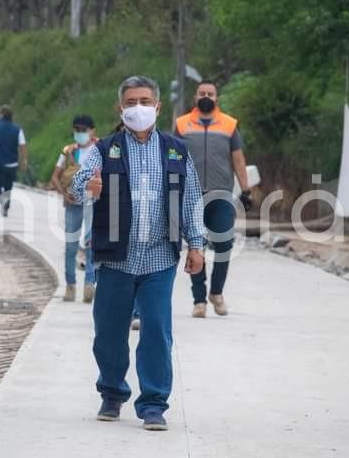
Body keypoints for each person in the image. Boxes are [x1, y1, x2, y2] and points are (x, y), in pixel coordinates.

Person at [71, 75, 205, 431]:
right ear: (120, 108)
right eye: (131, 102)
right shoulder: (104, 149)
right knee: (110, 332)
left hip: (160, 257)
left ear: (158, 107)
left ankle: (153, 404)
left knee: (157, 331)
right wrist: (89, 185)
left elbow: (192, 200)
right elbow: (76, 185)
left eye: (145, 101)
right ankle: (112, 394)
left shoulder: (177, 151)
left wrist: (197, 245)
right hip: (116, 257)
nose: (138, 108)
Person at [175, 80, 251, 318]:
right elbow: (173, 157)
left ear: (216, 98)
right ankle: (199, 300)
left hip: (221, 195)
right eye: (201, 93)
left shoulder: (229, 125)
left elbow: (238, 160)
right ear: (195, 97)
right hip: (191, 195)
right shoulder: (182, 124)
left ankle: (216, 293)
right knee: (196, 245)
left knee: (224, 245)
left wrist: (246, 190)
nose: (206, 96)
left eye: (210, 93)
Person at [51, 114, 99, 303]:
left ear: (92, 131)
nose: (80, 133)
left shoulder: (99, 150)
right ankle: (70, 285)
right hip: (72, 204)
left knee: (91, 245)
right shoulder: (68, 151)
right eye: (77, 130)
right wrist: (64, 194)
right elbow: (55, 177)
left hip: (92, 203)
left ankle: (89, 284)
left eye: (83, 130)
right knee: (71, 246)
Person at [0, 105, 28, 216]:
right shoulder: (18, 129)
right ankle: (6, 205)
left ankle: (3, 200)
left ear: (2, 114)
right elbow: (22, 145)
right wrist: (24, 159)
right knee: (8, 187)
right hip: (13, 164)